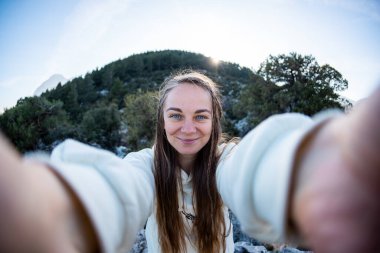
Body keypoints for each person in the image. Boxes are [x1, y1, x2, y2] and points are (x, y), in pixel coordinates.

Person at [0, 70, 379, 253]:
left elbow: (253, 170)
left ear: (214, 121)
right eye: (176, 114)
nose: (187, 128)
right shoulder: (143, 165)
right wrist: (58, 209)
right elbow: (119, 188)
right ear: (161, 120)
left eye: (201, 115)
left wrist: (308, 172)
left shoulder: (227, 158)